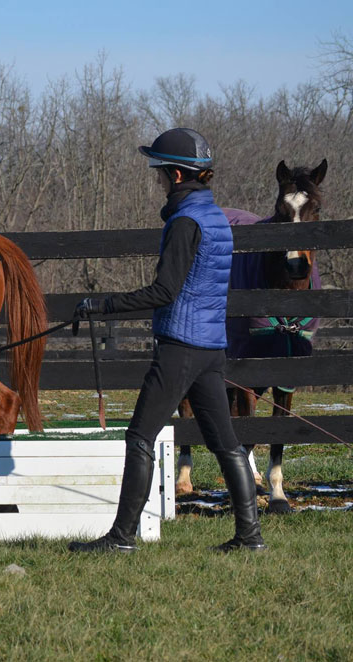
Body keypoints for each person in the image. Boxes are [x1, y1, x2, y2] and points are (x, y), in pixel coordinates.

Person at [68, 128, 266, 553]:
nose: (157, 179)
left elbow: (164, 292)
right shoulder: (214, 218)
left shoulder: (185, 223)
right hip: (210, 347)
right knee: (224, 442)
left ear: (177, 176)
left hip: (180, 346)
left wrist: (102, 305)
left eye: (160, 172)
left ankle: (121, 538)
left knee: (139, 436)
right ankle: (250, 536)